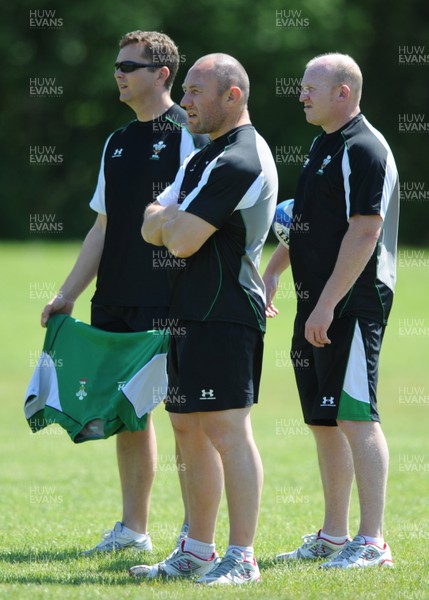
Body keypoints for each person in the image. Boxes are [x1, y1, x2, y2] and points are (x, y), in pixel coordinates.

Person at [41, 30, 208, 554]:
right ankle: (133, 531)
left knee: (186, 420)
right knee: (130, 415)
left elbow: (205, 216)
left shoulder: (189, 133)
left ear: (161, 74)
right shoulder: (115, 141)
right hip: (117, 295)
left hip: (173, 298)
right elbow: (103, 227)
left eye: (129, 66)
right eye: (117, 64)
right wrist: (67, 293)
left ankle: (193, 535)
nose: (119, 72)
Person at [129, 53, 278, 585]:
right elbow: (150, 226)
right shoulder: (203, 157)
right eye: (185, 90)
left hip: (226, 311)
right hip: (187, 311)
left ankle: (243, 557)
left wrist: (167, 221)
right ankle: (197, 549)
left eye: (195, 92)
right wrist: (167, 221)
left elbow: (181, 238)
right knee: (187, 428)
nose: (183, 102)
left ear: (231, 96)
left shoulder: (240, 159)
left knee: (226, 429)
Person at [263, 53, 399, 569]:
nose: (301, 94)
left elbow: (365, 231)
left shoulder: (365, 148)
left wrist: (326, 304)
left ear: (343, 92)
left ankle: (373, 542)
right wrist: (276, 267)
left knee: (355, 415)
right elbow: (307, 218)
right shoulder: (324, 143)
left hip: (352, 301)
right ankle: (335, 535)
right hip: (317, 302)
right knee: (325, 420)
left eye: (310, 87)